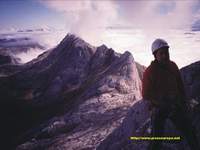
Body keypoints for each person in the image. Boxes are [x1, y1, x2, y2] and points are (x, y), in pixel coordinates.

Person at [142, 38, 200, 150]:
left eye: (166, 52)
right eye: (161, 53)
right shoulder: (150, 72)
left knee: (189, 131)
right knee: (156, 140)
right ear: (155, 55)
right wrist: (160, 103)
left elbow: (180, 85)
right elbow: (146, 94)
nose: (164, 55)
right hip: (159, 108)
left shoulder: (173, 66)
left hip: (174, 104)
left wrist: (183, 102)